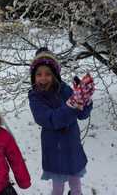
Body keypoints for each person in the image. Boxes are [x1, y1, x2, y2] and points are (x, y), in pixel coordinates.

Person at [28, 47, 95, 195]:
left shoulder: (64, 89)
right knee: (58, 188)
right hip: (54, 149)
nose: (43, 78)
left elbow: (81, 114)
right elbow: (50, 119)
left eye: (48, 74)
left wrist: (85, 99)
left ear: (55, 75)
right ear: (33, 77)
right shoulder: (35, 97)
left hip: (72, 146)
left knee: (76, 186)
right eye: (39, 74)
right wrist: (72, 104)